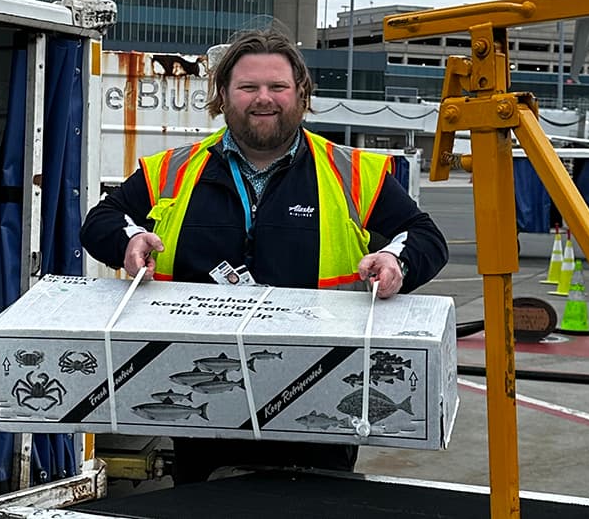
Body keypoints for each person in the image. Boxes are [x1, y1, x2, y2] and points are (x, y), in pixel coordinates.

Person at [80, 26, 449, 484]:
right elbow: (101, 220)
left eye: (278, 87)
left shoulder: (353, 172)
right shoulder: (173, 170)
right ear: (223, 95)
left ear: (301, 94)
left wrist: (396, 263)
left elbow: (426, 236)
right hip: (198, 396)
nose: (264, 99)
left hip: (319, 397)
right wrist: (129, 241)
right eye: (248, 87)